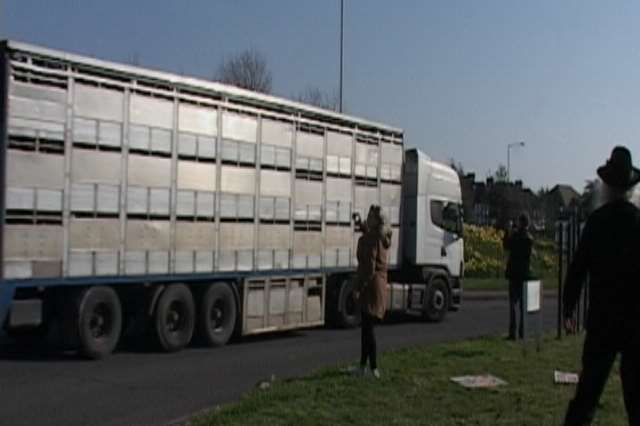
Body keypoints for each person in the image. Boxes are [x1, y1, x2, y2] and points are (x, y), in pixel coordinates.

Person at [563, 146, 640, 426]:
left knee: (586, 397)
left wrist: (568, 308)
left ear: (606, 186)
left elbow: (577, 269)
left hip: (602, 321)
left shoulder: (596, 222)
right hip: (635, 323)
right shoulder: (637, 222)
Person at [353, 205, 392, 379]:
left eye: (370, 216)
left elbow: (368, 268)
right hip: (380, 286)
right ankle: (365, 367)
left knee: (367, 331)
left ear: (376, 220)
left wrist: (358, 288)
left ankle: (372, 367)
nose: (368, 218)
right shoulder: (382, 237)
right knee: (367, 329)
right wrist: (361, 223)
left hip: (370, 287)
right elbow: (371, 235)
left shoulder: (370, 239)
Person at [502, 212, 533, 340]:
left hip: (514, 274)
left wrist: (508, 231)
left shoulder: (515, 236)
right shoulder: (529, 239)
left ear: (520, 223)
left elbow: (506, 246)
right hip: (525, 274)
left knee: (513, 305)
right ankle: (522, 331)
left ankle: (512, 332)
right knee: (523, 305)